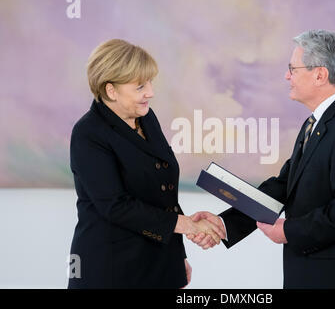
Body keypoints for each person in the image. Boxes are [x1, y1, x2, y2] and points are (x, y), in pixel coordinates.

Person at [190, 30, 335, 289]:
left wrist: (288, 231)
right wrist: (225, 224)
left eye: (293, 69)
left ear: (319, 75)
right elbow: (284, 185)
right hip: (315, 273)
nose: (287, 76)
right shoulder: (317, 122)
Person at [68, 39, 225, 289]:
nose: (150, 92)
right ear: (111, 90)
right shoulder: (88, 133)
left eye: (150, 82)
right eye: (140, 86)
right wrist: (185, 225)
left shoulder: (146, 117)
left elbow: (164, 194)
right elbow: (115, 206)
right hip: (113, 269)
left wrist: (178, 254)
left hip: (160, 262)